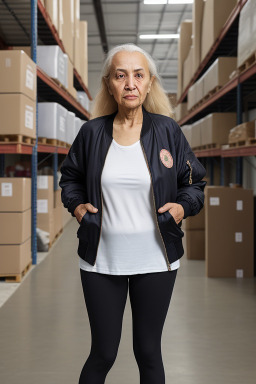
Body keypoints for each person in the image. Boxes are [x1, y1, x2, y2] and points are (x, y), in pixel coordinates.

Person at [59, 43, 206, 384]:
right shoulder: (91, 133)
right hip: (100, 260)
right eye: (121, 75)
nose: (130, 83)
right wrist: (77, 206)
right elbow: (70, 178)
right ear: (109, 83)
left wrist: (184, 206)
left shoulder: (168, 131)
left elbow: (194, 183)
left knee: (149, 353)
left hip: (156, 260)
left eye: (138, 75)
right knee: (103, 353)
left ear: (150, 82)